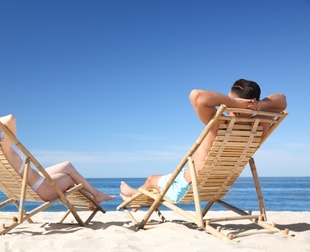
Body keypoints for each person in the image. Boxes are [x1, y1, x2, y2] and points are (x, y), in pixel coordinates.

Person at [120, 79, 287, 204]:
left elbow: (197, 96)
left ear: (233, 99)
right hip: (218, 187)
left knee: (151, 180)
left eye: (229, 98)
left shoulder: (220, 124)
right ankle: (135, 198)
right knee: (162, 181)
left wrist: (233, 103)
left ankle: (134, 198)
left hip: (186, 188)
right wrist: (260, 105)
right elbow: (282, 100)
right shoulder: (260, 125)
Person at [0, 108, 114, 203]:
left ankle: (95, 195)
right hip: (41, 188)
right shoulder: (3, 146)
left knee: (67, 165)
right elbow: (10, 119)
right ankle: (95, 196)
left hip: (34, 180)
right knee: (69, 177)